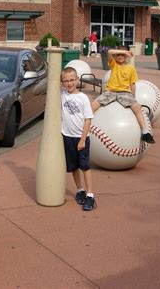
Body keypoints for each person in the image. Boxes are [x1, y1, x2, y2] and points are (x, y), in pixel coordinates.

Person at [91, 49, 155, 144]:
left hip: (124, 93)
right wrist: (125, 52)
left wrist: (134, 98)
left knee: (137, 108)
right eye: (118, 55)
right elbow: (109, 52)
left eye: (123, 55)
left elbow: (132, 84)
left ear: (127, 58)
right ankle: (82, 125)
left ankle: (145, 132)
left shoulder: (131, 69)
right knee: (93, 105)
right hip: (110, 91)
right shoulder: (114, 64)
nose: (120, 57)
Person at [61, 67, 96, 211]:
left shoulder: (83, 98)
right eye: (66, 81)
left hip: (81, 138)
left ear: (77, 80)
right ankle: (79, 190)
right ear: (62, 83)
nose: (69, 83)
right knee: (73, 167)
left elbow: (88, 120)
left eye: (71, 80)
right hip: (67, 137)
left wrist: (82, 139)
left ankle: (90, 195)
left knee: (85, 167)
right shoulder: (62, 94)